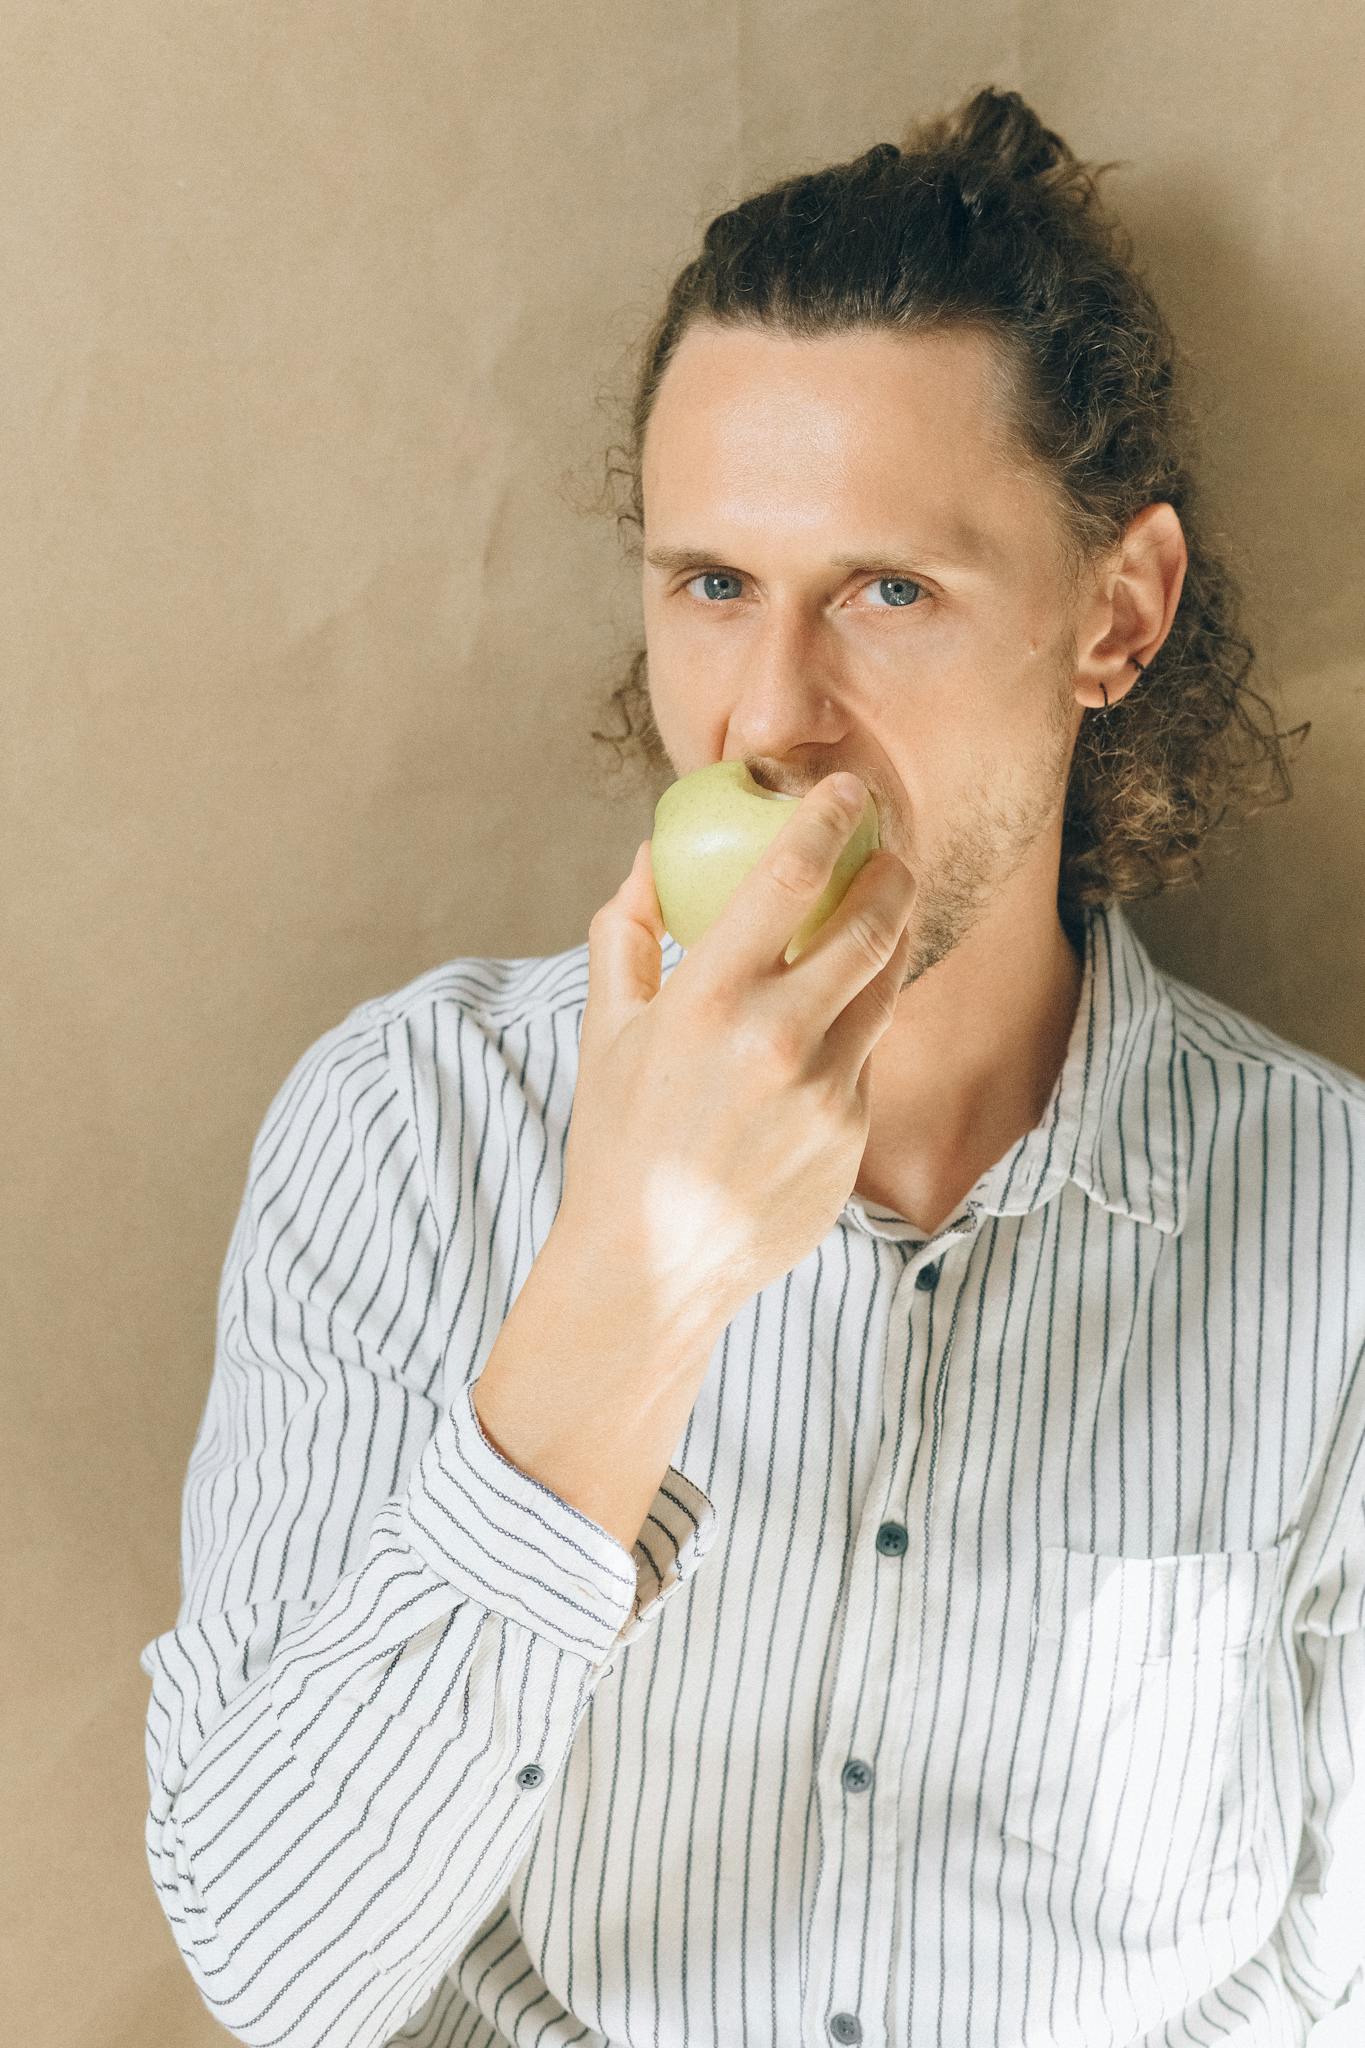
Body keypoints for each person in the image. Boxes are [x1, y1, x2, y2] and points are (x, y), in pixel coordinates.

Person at [140, 86, 1365, 2048]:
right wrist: (630, 1283)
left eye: (885, 590)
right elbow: (281, 1977)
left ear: (1110, 615)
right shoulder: (412, 1133)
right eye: (712, 583)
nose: (766, 719)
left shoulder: (1335, 1234)